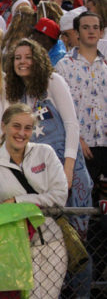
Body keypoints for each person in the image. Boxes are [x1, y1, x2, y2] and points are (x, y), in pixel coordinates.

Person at [0, 103, 68, 299]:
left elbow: (60, 196)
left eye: (28, 128)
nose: (21, 133)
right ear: (4, 126)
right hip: (10, 248)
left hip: (51, 244)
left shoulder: (45, 153)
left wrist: (17, 201)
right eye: (16, 126)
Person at [4, 38, 93, 239]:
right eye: (17, 58)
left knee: (76, 233)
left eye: (28, 57)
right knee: (51, 233)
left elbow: (71, 125)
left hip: (66, 163)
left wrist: (68, 169)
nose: (22, 62)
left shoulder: (53, 81)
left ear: (38, 59)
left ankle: (82, 271)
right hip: (40, 170)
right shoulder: (17, 93)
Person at [56, 11, 106, 207]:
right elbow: (59, 110)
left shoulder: (105, 66)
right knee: (82, 202)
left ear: (101, 32)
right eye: (86, 27)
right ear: (77, 32)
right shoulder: (64, 66)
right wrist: (78, 139)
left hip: (104, 143)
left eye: (95, 27)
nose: (91, 31)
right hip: (79, 147)